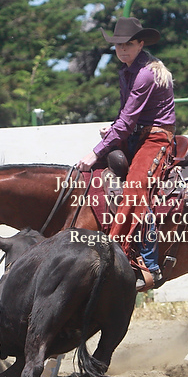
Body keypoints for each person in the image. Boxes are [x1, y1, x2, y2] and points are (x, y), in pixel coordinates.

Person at [75, 17, 176, 290]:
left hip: (156, 137)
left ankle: (146, 264)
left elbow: (128, 120)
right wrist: (114, 128)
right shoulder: (127, 70)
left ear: (140, 44)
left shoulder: (145, 74)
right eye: (118, 45)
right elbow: (126, 115)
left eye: (128, 44)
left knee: (135, 188)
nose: (122, 49)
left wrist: (95, 152)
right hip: (134, 134)